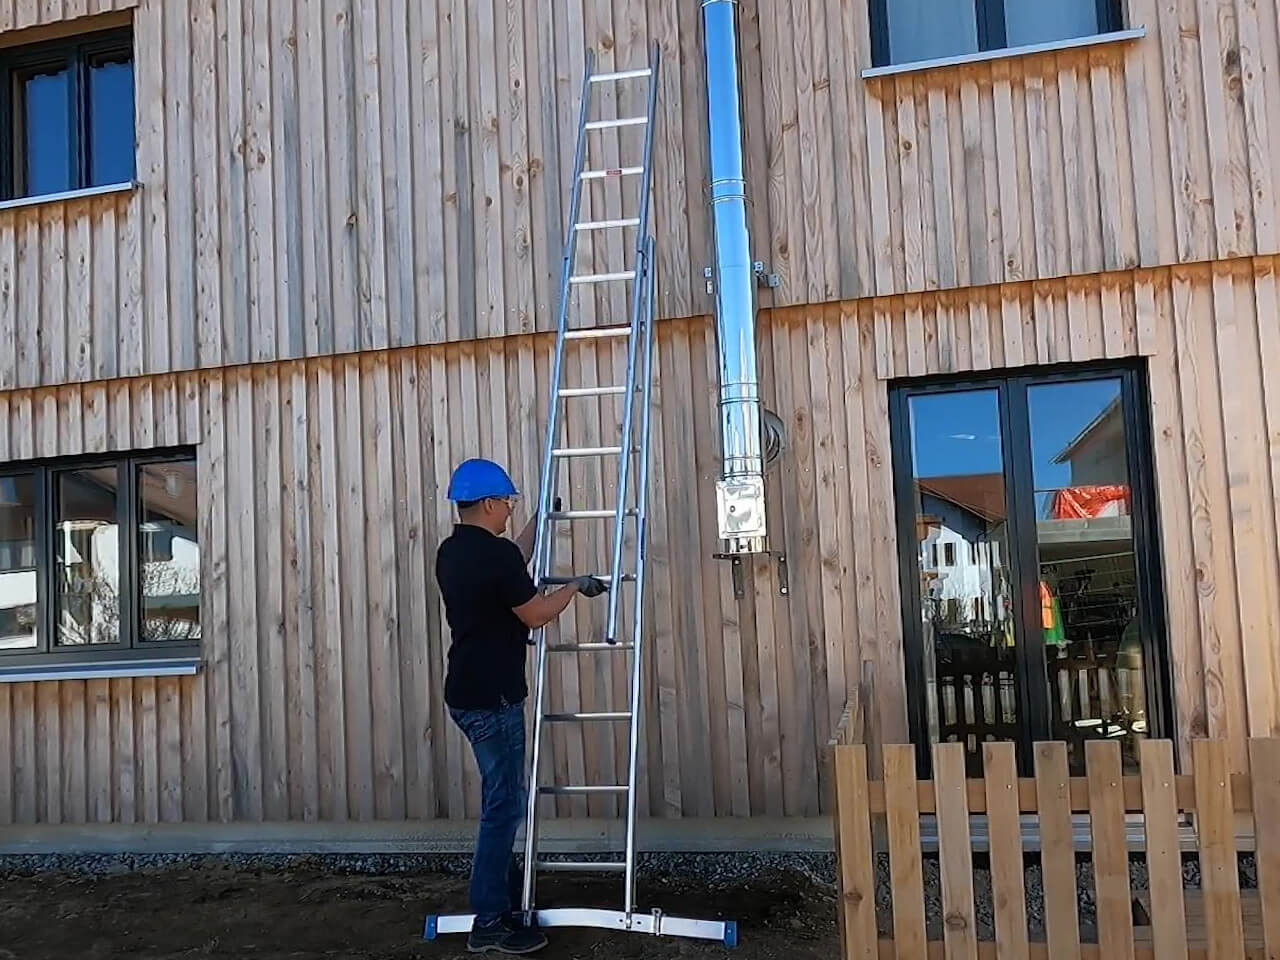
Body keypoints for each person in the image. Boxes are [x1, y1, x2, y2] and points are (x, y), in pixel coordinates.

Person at [435, 458, 607, 955]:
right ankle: (490, 919)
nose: (510, 509)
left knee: (501, 799)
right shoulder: (495, 559)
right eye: (508, 503)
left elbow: (512, 559)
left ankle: (503, 898)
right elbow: (533, 614)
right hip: (495, 698)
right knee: (502, 806)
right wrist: (574, 588)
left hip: (465, 693)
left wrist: (541, 521)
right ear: (488, 503)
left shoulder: (454, 552)